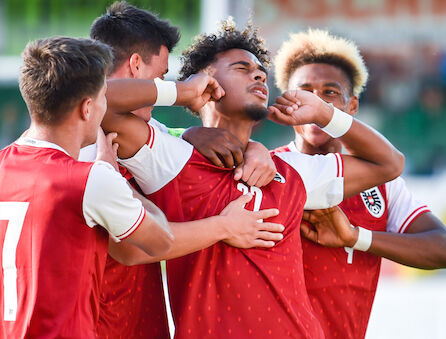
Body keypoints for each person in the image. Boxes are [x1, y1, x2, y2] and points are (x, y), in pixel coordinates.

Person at [101, 19, 404, 338]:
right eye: (241, 68)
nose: (259, 74)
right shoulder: (171, 158)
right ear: (207, 82)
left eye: (260, 69)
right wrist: (181, 91)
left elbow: (389, 164)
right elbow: (98, 99)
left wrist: (324, 114)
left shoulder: (290, 169)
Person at [0, 37, 174, 338]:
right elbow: (162, 241)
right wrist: (118, 180)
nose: (105, 108)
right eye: (102, 99)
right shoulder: (90, 179)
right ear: (87, 108)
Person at [88, 3, 281, 337]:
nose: (162, 89)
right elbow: (131, 249)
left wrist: (252, 147)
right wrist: (224, 227)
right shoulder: (83, 143)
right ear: (136, 64)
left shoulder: (155, 137)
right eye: (161, 78)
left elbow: (175, 143)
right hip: (95, 327)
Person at [273, 29, 446, 339]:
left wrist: (356, 237)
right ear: (285, 101)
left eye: (330, 93)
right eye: (304, 91)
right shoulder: (267, 170)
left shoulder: (382, 183)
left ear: (352, 107)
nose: (314, 103)